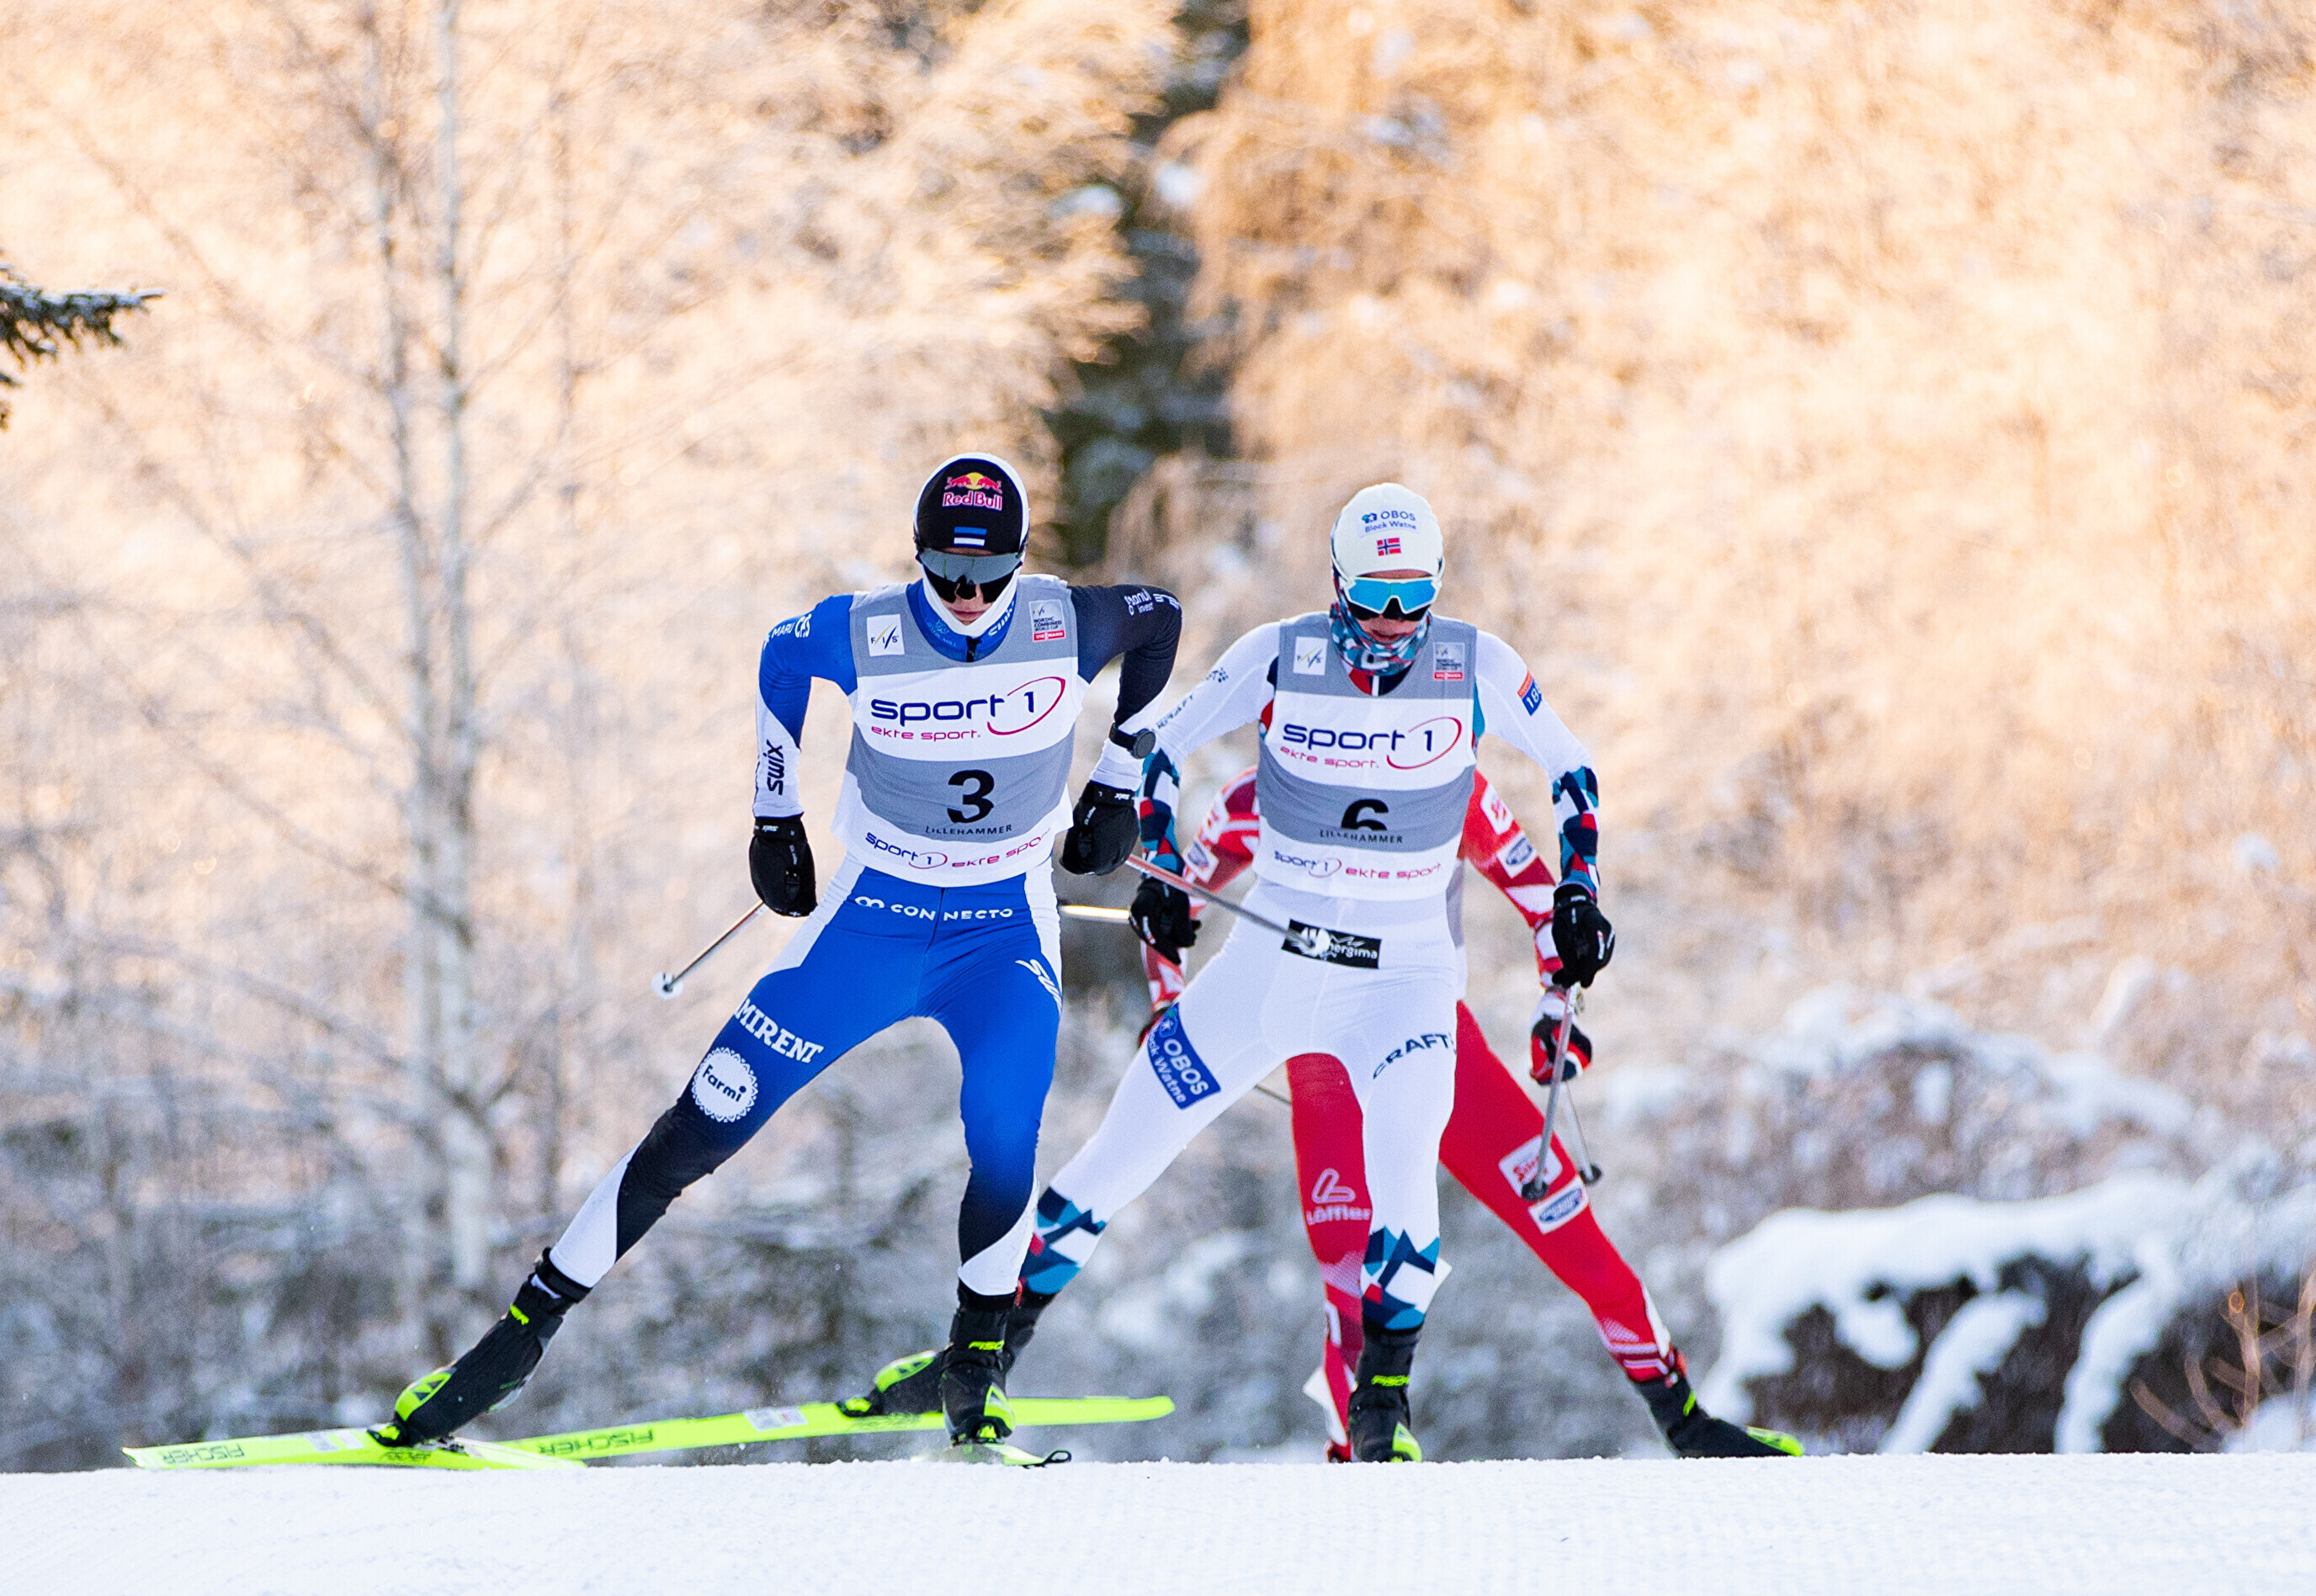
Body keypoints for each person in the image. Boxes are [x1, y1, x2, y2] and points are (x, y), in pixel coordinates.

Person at [377, 453, 1182, 1452]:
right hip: (871, 921)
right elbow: (780, 656)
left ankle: (975, 1364)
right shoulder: (868, 631)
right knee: (705, 1120)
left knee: (1005, 1135)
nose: (969, 596)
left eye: (990, 573)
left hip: (1001, 929)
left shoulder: (1068, 621)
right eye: (947, 571)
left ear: (1021, 561)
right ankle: (511, 1343)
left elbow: (1159, 619)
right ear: (918, 557)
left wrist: (1120, 773)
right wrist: (775, 816)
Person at [925, 479, 1611, 1463]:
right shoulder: (1283, 655)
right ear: (1336, 583)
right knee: (1117, 1159)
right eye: (1372, 596)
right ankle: (980, 1362)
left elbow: (1574, 770)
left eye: (1413, 597)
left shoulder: (1476, 664)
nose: (1392, 620)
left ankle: (1381, 1414)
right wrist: (1159, 862)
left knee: (1404, 1181)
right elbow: (1157, 740)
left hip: (1405, 983)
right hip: (1268, 964)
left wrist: (1579, 894)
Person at [1129, 761, 1798, 1460]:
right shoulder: (1266, 791)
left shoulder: (1448, 779)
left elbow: (1547, 905)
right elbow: (1171, 901)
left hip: (1439, 1045)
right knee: (1352, 1274)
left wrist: (1558, 1005)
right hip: (1328, 1056)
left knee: (1574, 1236)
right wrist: (1169, 1006)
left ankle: (1687, 1423)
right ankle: (1362, 1451)